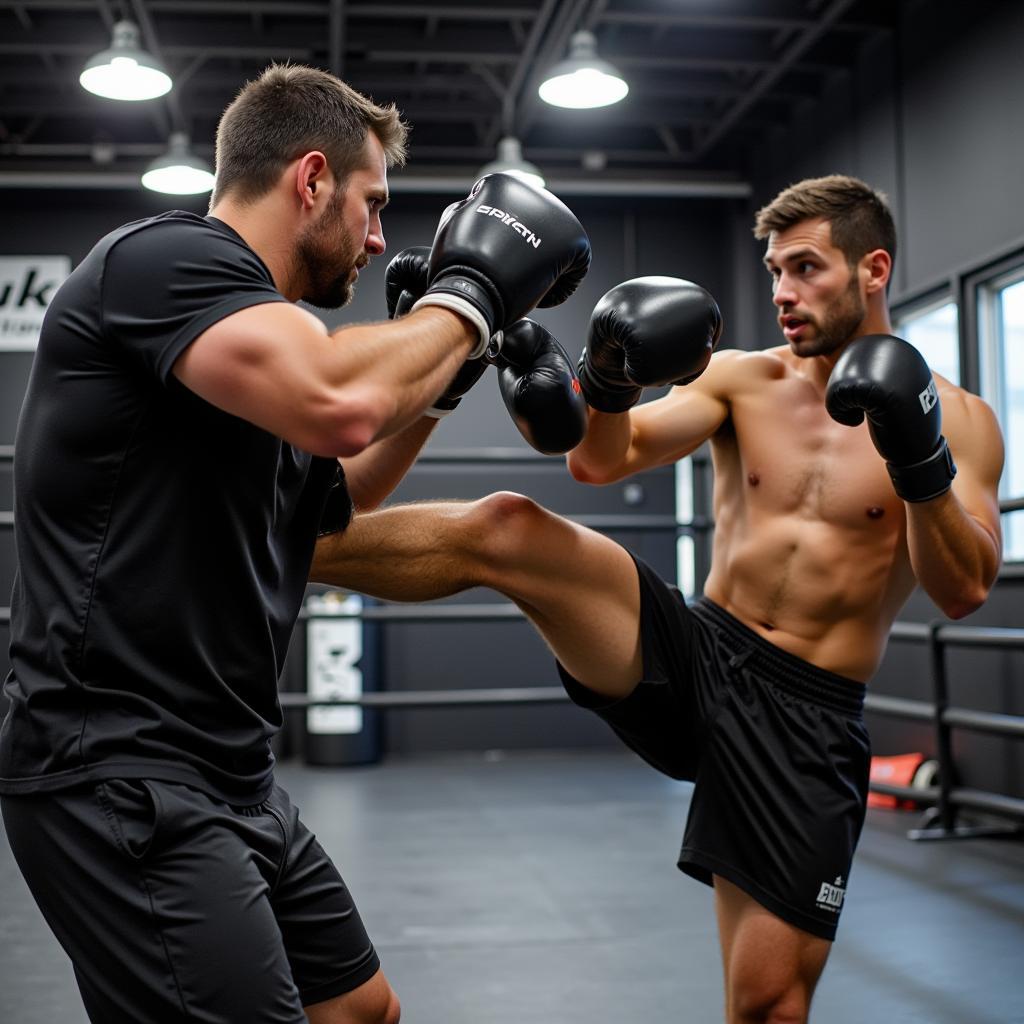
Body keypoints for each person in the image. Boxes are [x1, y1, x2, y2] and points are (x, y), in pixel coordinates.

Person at [310, 174, 1005, 1023]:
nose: (782, 292)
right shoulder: (744, 380)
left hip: (809, 716)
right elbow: (602, 460)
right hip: (699, 653)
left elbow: (963, 587)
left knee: (769, 1006)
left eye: (806, 269)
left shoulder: (962, 421)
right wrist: (608, 379)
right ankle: (284, 545)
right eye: (774, 270)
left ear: (874, 269)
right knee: (507, 528)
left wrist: (918, 457)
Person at [0, 62, 591, 1024]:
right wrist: (471, 294)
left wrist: (446, 373)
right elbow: (341, 404)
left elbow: (338, 492)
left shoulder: (249, 355)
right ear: (310, 180)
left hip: (229, 768)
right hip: (118, 771)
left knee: (362, 1009)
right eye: (370, 204)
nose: (378, 236)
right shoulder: (165, 261)